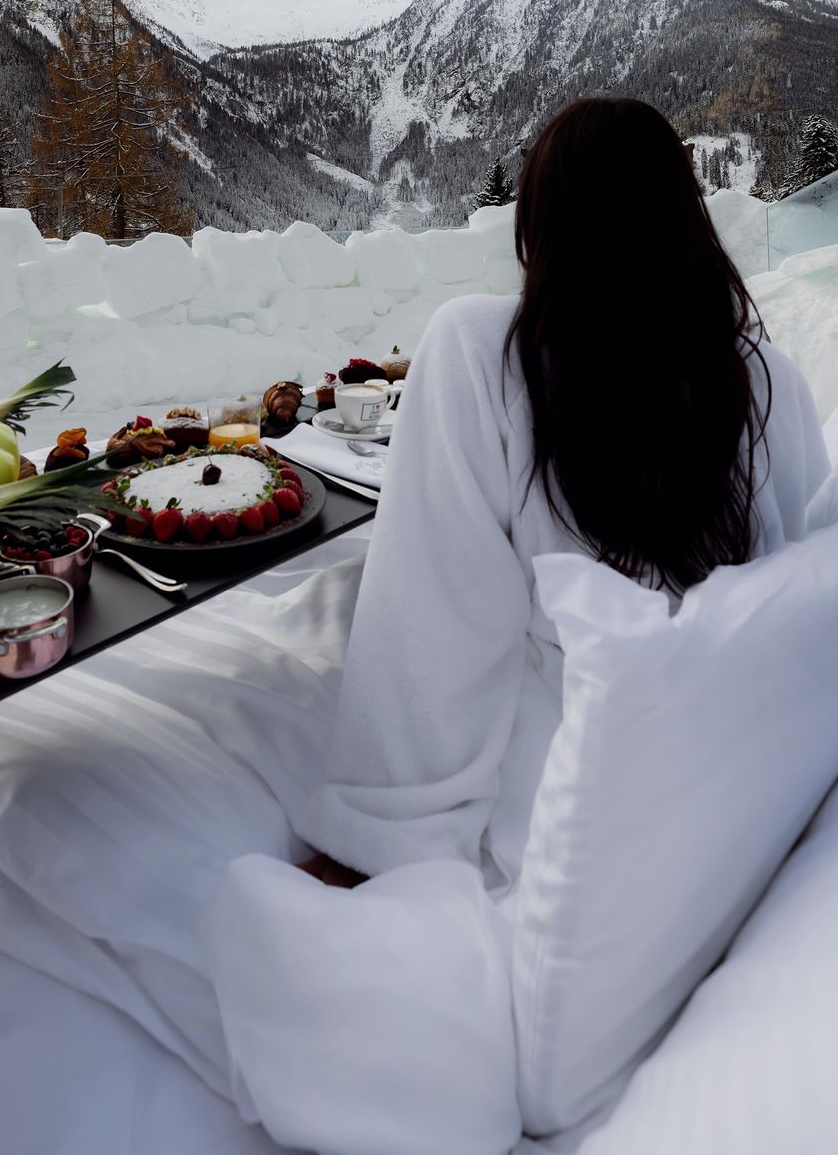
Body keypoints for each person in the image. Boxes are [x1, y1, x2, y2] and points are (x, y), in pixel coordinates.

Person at [298, 97, 832, 889]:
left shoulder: (481, 353)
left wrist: (386, 831)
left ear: (540, 225)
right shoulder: (760, 378)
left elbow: (437, 614)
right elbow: (805, 589)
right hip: (749, 794)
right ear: (685, 219)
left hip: (580, 813)